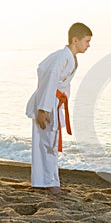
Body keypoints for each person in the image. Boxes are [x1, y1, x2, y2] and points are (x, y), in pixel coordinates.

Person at [26, 23, 92, 195]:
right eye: (86, 41)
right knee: (48, 143)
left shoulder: (68, 57)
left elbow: (60, 84)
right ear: (75, 40)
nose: (88, 45)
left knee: (48, 143)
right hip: (47, 104)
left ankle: (45, 182)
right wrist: (43, 109)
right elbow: (48, 79)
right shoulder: (61, 57)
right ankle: (49, 183)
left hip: (54, 103)